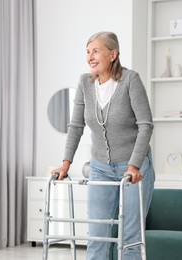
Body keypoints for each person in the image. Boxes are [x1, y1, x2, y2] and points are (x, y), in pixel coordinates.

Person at [52, 31, 155, 260]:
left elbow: (146, 125)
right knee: (97, 235)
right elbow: (76, 126)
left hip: (133, 170)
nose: (89, 57)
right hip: (100, 168)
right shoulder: (84, 83)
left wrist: (134, 165)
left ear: (112, 54)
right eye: (87, 52)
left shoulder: (130, 80)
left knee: (130, 239)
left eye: (95, 51)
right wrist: (65, 164)